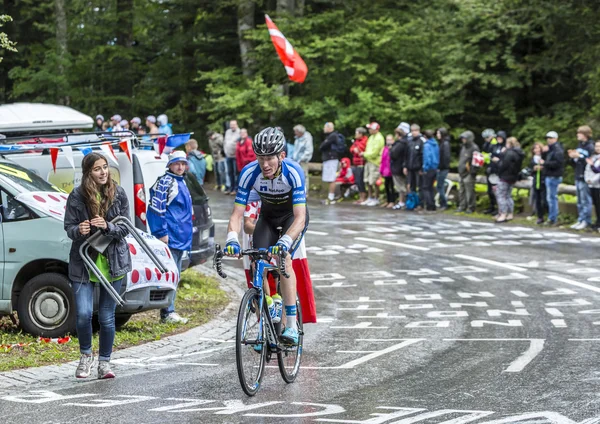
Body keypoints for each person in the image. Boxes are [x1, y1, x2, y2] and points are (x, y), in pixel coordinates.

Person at [224, 127, 308, 345]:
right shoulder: (249, 173)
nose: (265, 164)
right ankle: (267, 311)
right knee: (257, 260)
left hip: (292, 219)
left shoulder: (294, 171)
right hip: (268, 218)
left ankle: (290, 325)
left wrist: (286, 241)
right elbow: (237, 213)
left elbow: (300, 217)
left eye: (270, 158)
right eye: (260, 158)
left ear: (281, 156)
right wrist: (232, 237)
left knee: (284, 260)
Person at [64, 153, 132, 379]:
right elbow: (69, 227)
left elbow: (126, 228)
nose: (103, 172)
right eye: (97, 169)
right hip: (84, 261)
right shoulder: (77, 196)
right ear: (88, 173)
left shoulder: (119, 193)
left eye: (105, 167)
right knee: (83, 314)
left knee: (106, 317)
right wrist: (79, 230)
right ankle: (85, 357)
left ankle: (105, 362)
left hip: (112, 261)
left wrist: (108, 226)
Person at [147, 150, 193, 324]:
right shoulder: (166, 182)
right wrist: (161, 233)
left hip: (180, 236)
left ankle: (169, 310)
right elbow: (156, 209)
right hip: (171, 236)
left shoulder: (181, 181)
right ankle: (167, 312)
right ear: (170, 165)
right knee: (171, 274)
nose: (180, 166)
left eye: (183, 163)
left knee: (176, 274)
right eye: (177, 163)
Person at [568, 125, 595, 230]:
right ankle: (580, 219)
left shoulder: (590, 146)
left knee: (585, 200)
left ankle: (586, 220)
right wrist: (572, 157)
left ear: (585, 135)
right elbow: (576, 162)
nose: (577, 135)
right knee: (579, 200)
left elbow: (589, 162)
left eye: (579, 133)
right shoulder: (580, 145)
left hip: (585, 175)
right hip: (578, 174)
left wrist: (579, 157)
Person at [493, 137, 524, 223]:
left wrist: (498, 160)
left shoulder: (509, 153)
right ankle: (510, 213)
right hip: (513, 177)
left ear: (509, 144)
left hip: (505, 176)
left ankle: (503, 214)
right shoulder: (519, 153)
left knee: (501, 195)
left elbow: (503, 165)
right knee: (508, 195)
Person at [542, 131, 564, 226]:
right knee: (549, 198)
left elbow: (558, 164)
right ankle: (551, 217)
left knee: (552, 198)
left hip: (554, 176)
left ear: (555, 139)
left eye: (551, 138)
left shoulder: (558, 150)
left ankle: (553, 218)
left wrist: (545, 163)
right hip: (549, 175)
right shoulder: (550, 150)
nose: (548, 140)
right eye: (548, 138)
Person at [362, 122, 385, 206]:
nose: (369, 130)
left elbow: (375, 152)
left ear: (375, 129)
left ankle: (376, 198)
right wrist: (365, 154)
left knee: (374, 181)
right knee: (367, 180)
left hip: (375, 162)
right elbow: (368, 149)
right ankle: (370, 197)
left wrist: (364, 154)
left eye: (370, 128)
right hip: (368, 161)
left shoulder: (379, 138)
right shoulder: (371, 137)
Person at [320, 122, 342, 205]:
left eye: (325, 127)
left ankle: (331, 197)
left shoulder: (333, 136)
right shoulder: (329, 136)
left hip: (332, 159)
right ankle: (330, 196)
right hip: (328, 159)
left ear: (329, 128)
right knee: (329, 178)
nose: (323, 129)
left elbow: (323, 146)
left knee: (332, 178)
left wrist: (323, 144)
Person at [457, 131, 479, 214]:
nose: (463, 140)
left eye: (465, 138)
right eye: (462, 138)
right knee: (461, 190)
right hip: (461, 172)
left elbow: (477, 162)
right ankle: (462, 206)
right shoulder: (463, 147)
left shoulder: (474, 148)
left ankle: (471, 207)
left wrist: (472, 172)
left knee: (469, 192)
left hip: (469, 173)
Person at [391, 123, 410, 210]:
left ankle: (402, 201)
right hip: (400, 166)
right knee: (402, 185)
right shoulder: (406, 142)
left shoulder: (400, 143)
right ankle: (402, 201)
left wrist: (390, 150)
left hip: (398, 167)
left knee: (400, 186)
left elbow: (393, 154)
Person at [405, 124, 425, 203]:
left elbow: (422, 156)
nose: (414, 133)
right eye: (412, 131)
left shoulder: (421, 141)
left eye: (415, 131)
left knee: (420, 186)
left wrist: (421, 168)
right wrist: (405, 166)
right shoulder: (409, 141)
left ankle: (421, 203)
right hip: (410, 167)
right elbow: (406, 155)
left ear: (419, 131)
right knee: (411, 185)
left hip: (418, 167)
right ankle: (413, 202)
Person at [528, 142, 547, 225]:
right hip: (536, 180)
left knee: (544, 200)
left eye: (539, 148)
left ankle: (547, 215)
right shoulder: (533, 159)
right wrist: (534, 169)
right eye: (535, 148)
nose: (537, 150)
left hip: (543, 180)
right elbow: (530, 170)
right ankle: (540, 217)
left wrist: (543, 167)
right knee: (537, 200)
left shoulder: (545, 157)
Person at [291, 125, 314, 192]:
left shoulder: (307, 138)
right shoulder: (297, 138)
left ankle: (304, 192)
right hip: (296, 161)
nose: (295, 133)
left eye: (296, 131)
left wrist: (301, 159)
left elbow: (309, 150)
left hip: (303, 161)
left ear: (300, 131)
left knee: (303, 176)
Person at [421, 130, 440, 212]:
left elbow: (427, 158)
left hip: (429, 168)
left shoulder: (427, 146)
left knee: (426, 187)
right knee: (431, 187)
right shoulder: (436, 144)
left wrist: (425, 168)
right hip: (435, 167)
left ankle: (429, 205)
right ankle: (433, 205)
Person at [481, 128, 498, 214]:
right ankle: (491, 207)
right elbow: (485, 155)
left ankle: (497, 208)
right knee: (489, 190)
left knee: (494, 190)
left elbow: (492, 156)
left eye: (486, 137)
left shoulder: (495, 144)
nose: (485, 139)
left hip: (494, 169)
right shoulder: (486, 144)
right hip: (488, 167)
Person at [350, 127, 368, 204]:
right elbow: (351, 149)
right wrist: (354, 149)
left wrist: (357, 149)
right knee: (357, 180)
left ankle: (363, 197)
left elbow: (362, 148)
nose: (355, 135)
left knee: (361, 181)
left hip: (361, 163)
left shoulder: (365, 140)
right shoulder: (356, 141)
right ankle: (360, 196)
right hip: (355, 163)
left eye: (356, 133)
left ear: (361, 134)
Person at [585, 140, 600, 230]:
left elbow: (597, 171)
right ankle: (597, 221)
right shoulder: (594, 157)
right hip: (592, 184)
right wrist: (588, 179)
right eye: (596, 146)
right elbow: (588, 169)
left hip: (598, 183)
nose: (597, 148)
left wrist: (591, 165)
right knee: (596, 203)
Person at [223, 120, 241, 194]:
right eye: (231, 125)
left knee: (236, 173)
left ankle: (236, 189)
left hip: (235, 156)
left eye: (234, 125)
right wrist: (225, 151)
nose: (232, 126)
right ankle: (231, 187)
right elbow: (225, 142)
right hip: (228, 155)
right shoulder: (227, 132)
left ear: (236, 125)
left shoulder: (239, 132)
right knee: (229, 172)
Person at [436, 127, 451, 210]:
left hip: (443, 168)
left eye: (439, 133)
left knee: (440, 186)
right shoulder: (441, 143)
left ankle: (444, 203)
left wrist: (440, 167)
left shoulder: (445, 144)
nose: (437, 135)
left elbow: (445, 157)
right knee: (439, 186)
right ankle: (442, 203)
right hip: (441, 167)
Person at [380, 134, 396, 208]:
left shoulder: (394, 148)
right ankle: (388, 200)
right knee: (386, 185)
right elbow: (383, 160)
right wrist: (381, 170)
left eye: (390, 140)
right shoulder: (385, 148)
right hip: (386, 170)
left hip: (392, 170)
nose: (388, 141)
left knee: (392, 186)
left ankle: (392, 201)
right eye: (387, 140)